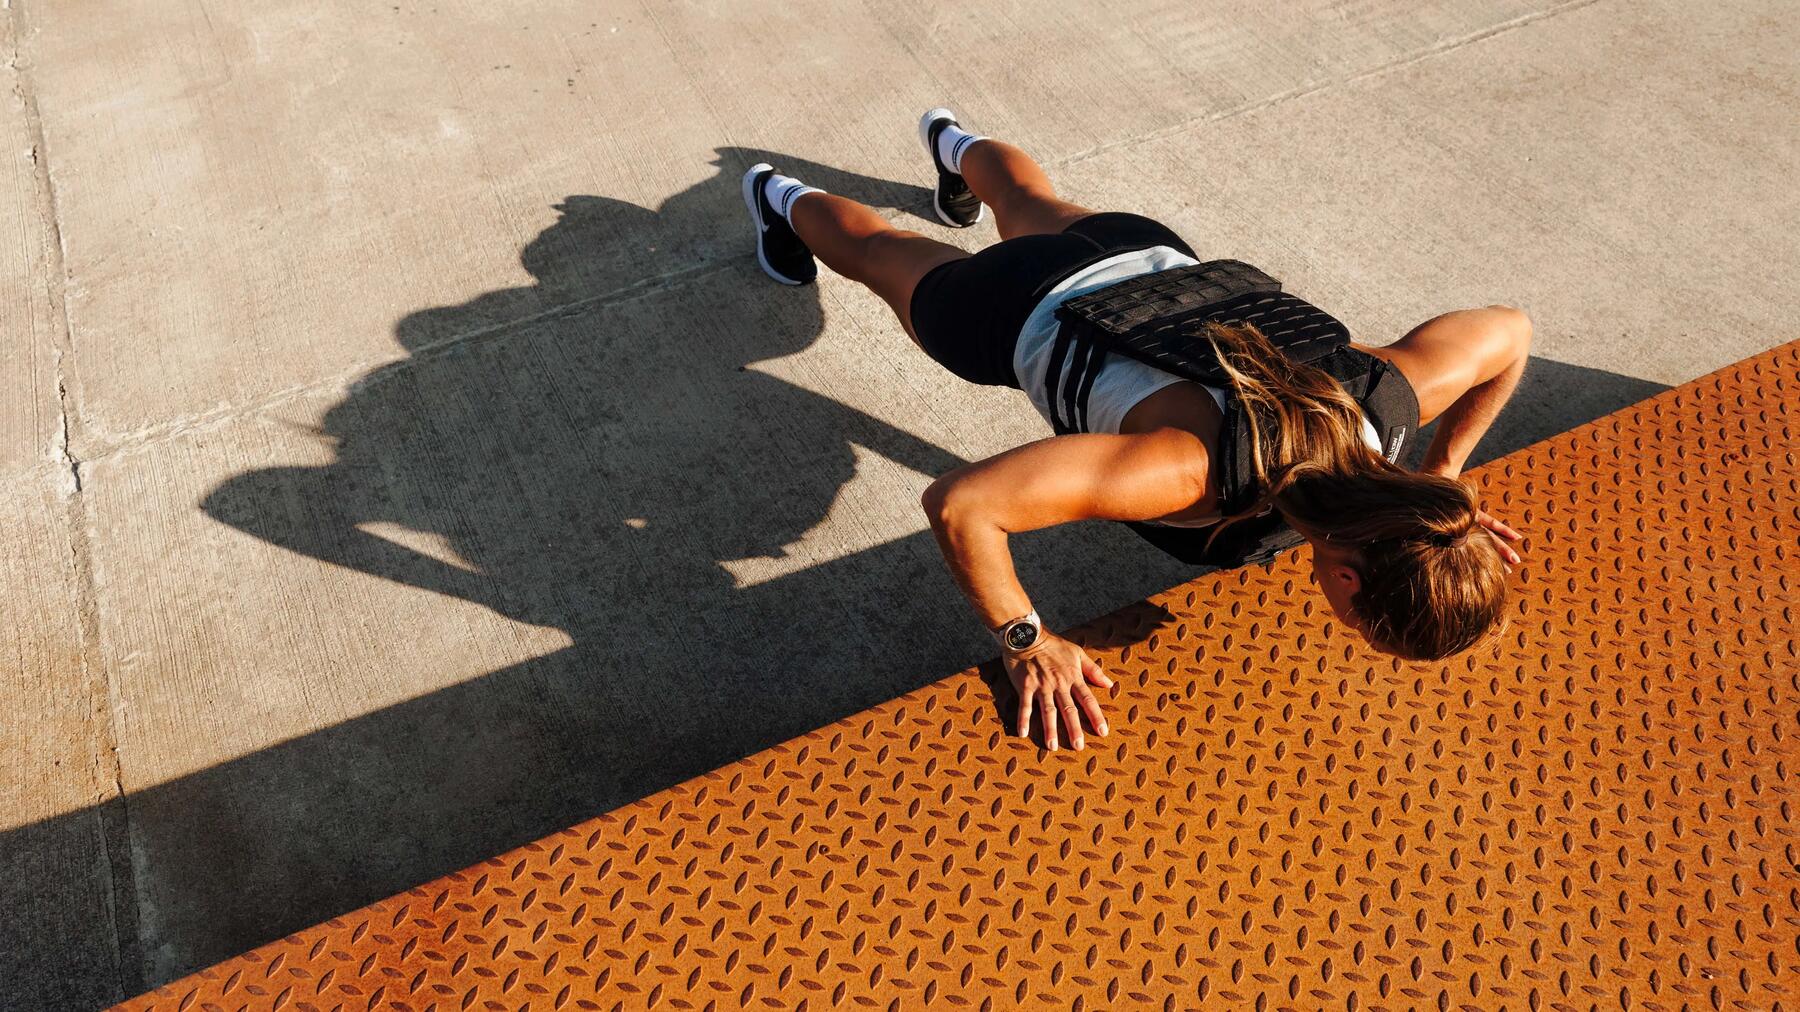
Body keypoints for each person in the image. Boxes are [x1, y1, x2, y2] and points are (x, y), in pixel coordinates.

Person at [740, 108, 1530, 752]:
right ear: (1348, 584)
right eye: (1358, 629)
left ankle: (954, 144)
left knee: (1026, 201)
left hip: (1145, 254)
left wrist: (1448, 469)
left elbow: (1509, 331)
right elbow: (962, 504)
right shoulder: (1189, 474)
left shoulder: (1390, 397)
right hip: (1015, 305)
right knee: (882, 252)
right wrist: (1027, 641)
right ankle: (776, 195)